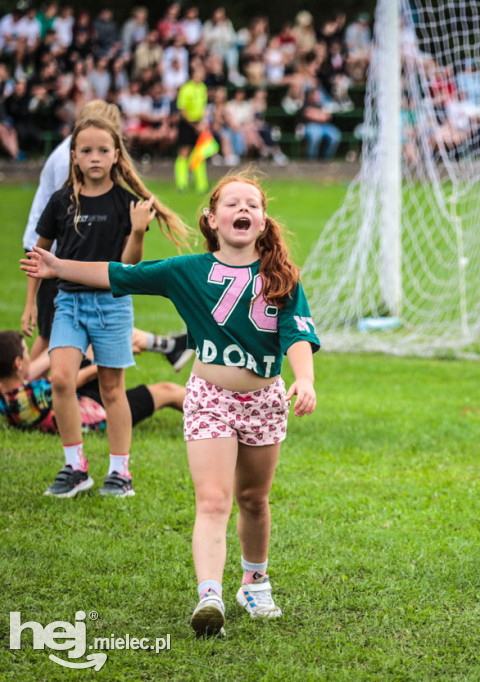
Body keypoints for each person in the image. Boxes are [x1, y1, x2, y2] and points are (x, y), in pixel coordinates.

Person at [23, 170, 319, 638]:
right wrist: (59, 267)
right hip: (209, 398)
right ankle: (210, 596)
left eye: (252, 205)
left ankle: (253, 581)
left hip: (263, 400)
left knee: (254, 500)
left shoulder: (281, 276)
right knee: (214, 500)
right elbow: (119, 273)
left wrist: (304, 379)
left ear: (263, 222)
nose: (242, 210)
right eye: (232, 203)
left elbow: (297, 335)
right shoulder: (188, 271)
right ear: (211, 218)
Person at [26, 115, 188, 501]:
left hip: (112, 306)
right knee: (61, 379)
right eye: (86, 151)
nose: (94, 157)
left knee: (113, 389)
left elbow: (128, 268)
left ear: (116, 155)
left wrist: (136, 231)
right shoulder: (60, 201)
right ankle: (74, 467)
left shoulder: (126, 203)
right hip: (68, 302)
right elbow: (41, 253)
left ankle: (120, 472)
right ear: (74, 157)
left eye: (102, 150)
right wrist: (31, 301)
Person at [0, 329, 185, 441]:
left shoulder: (6, 398)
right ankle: (212, 408)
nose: (28, 357)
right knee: (167, 391)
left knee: (94, 339)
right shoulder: (31, 395)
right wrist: (118, 356)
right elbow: (78, 379)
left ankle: (171, 347)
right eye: (25, 353)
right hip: (97, 412)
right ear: (18, 364)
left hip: (79, 399)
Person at [175, 62, 209, 193]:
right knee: (184, 152)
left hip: (199, 124)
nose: (201, 75)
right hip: (187, 124)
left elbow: (204, 107)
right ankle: (181, 183)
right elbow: (182, 110)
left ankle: (201, 185)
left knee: (200, 153)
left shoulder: (202, 88)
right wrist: (195, 125)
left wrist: (202, 123)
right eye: (199, 72)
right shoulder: (186, 89)